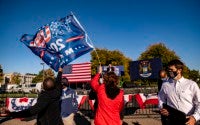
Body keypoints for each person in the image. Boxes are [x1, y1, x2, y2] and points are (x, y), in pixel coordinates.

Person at [158, 59, 200, 125]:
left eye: (171, 70)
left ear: (179, 70)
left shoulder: (191, 84)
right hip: (172, 120)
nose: (169, 71)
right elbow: (161, 99)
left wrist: (195, 118)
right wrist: (162, 108)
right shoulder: (165, 85)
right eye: (168, 70)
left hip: (189, 120)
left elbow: (199, 103)